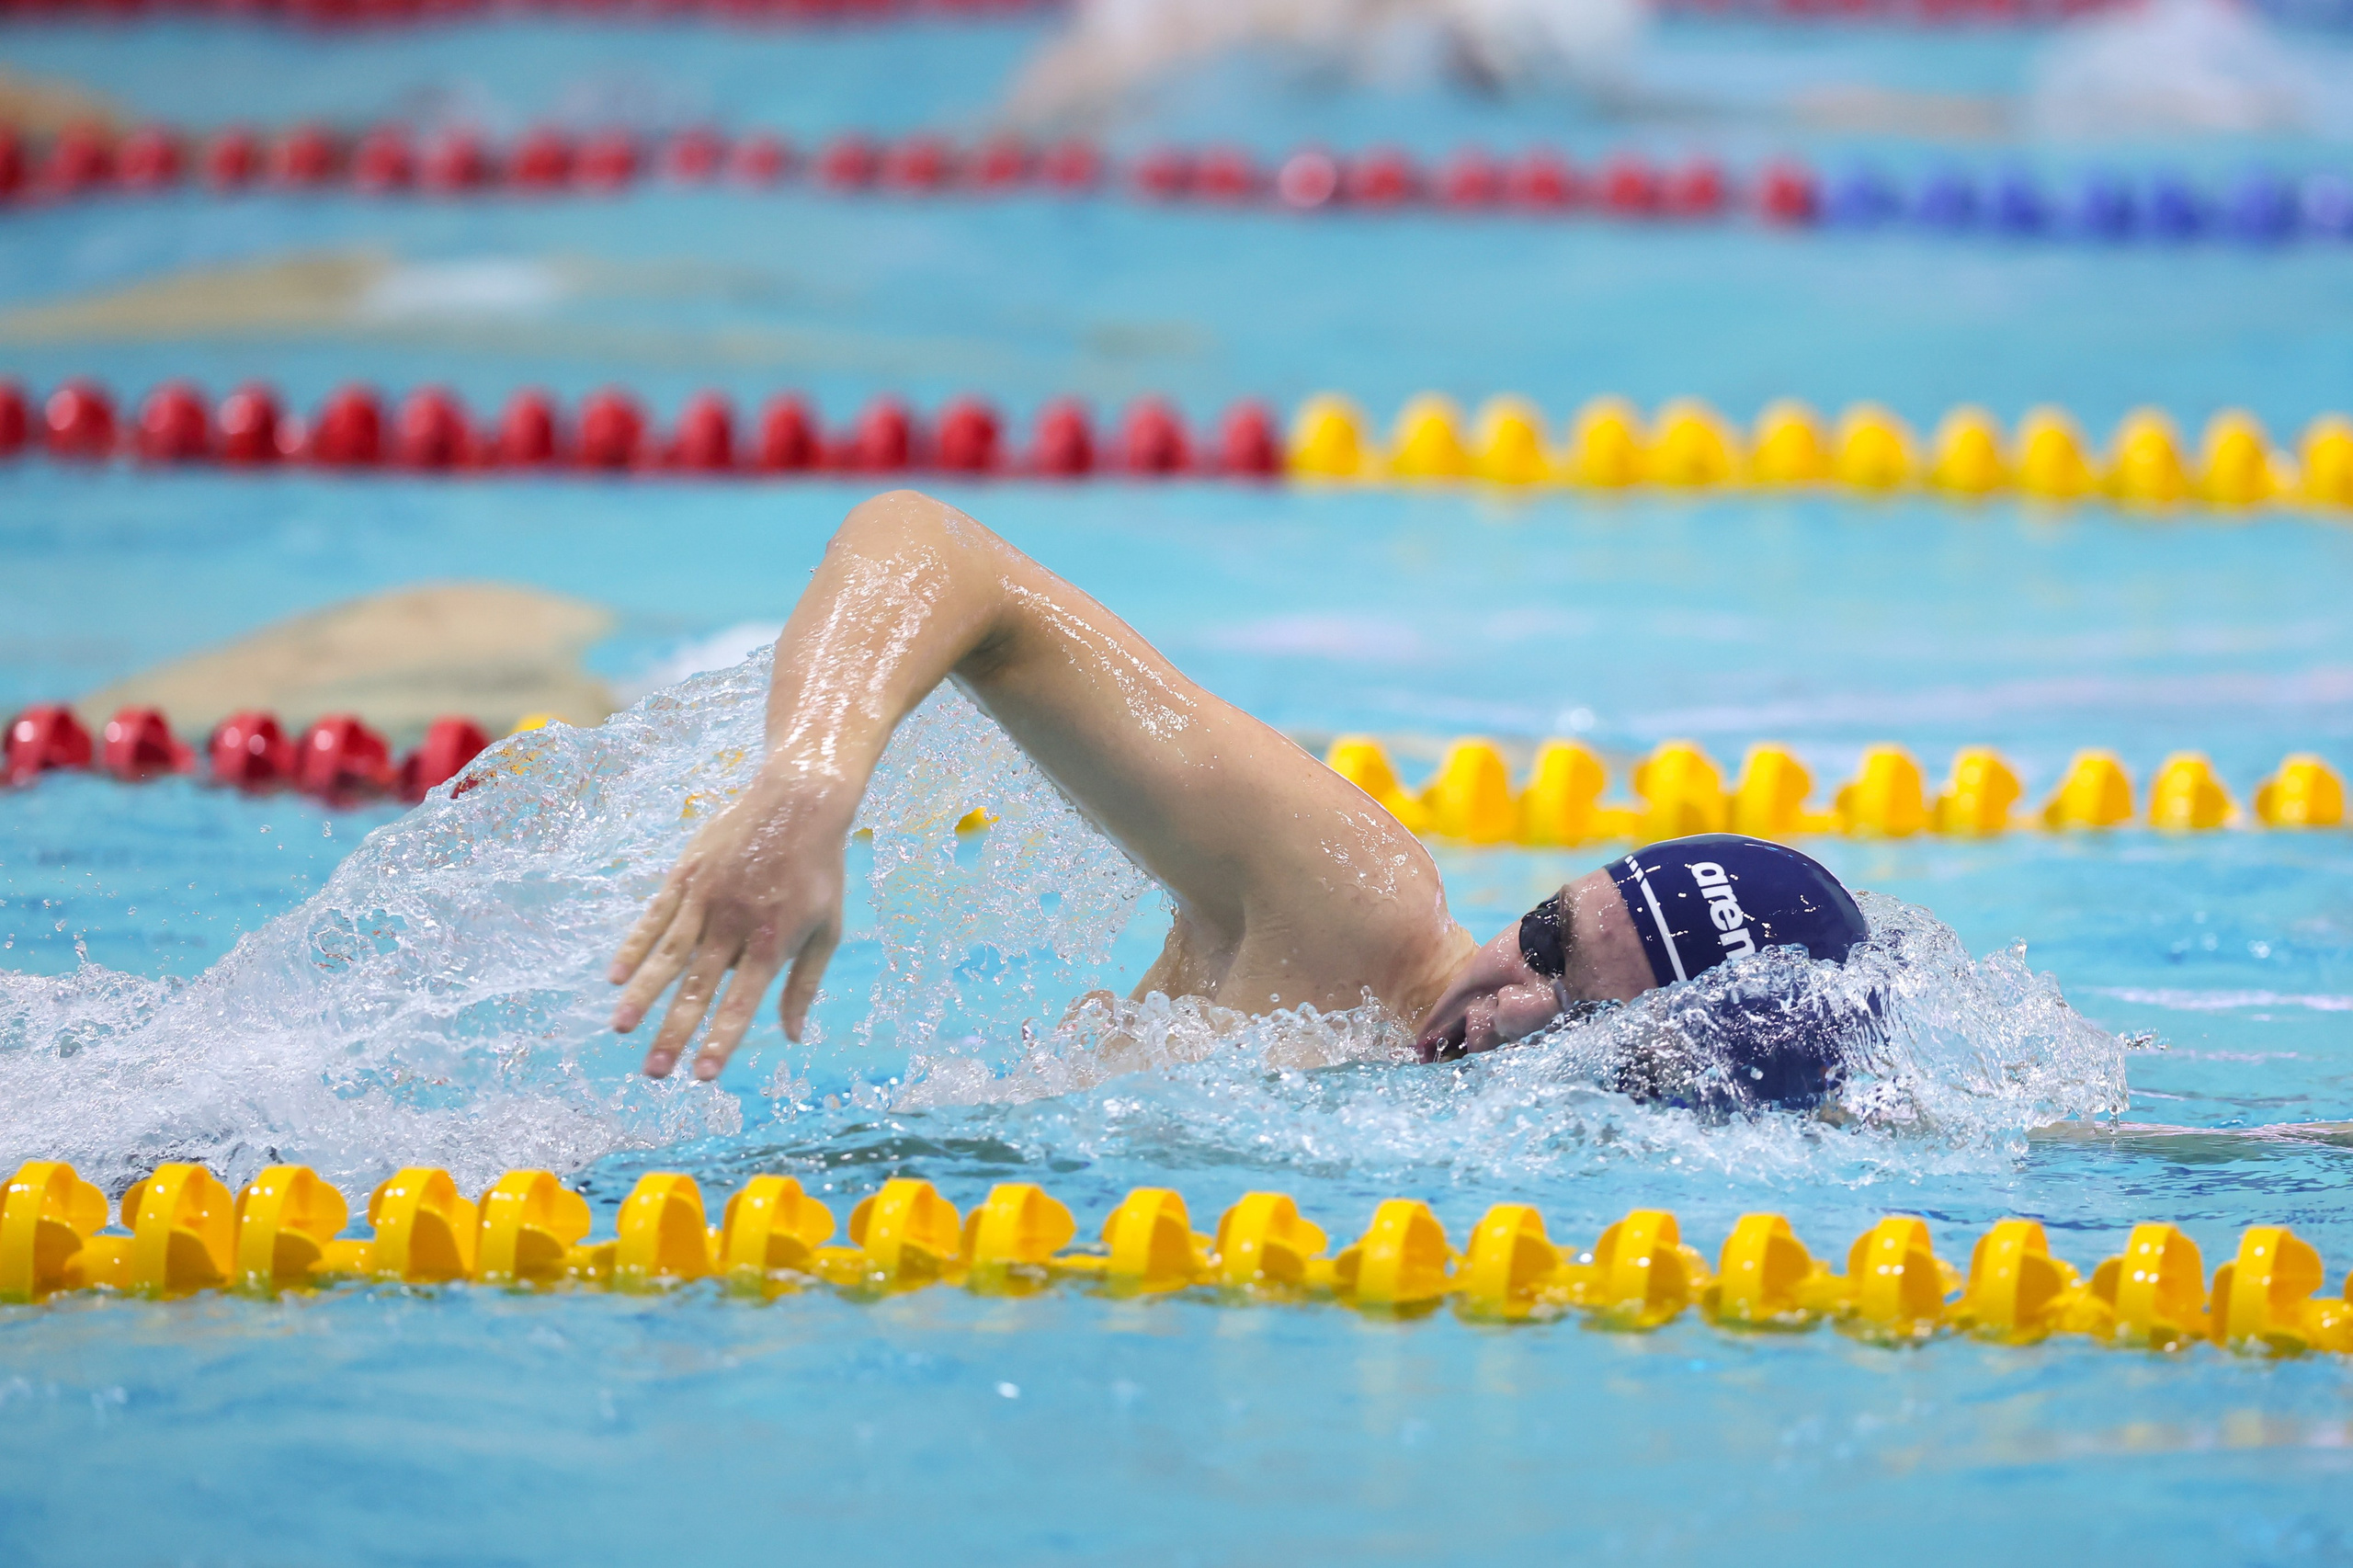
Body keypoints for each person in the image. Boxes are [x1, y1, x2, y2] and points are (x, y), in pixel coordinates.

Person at [608, 490, 1870, 1107]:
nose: (1497, 1001)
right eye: (1540, 936)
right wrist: (814, 778)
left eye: (1578, 1011)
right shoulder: (1347, 912)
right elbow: (935, 549)